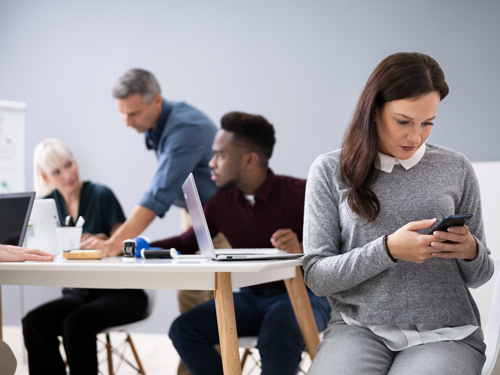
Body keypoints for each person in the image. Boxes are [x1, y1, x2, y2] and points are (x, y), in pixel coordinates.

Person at [302, 52, 494, 375]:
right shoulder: (329, 170)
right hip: (358, 329)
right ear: (374, 111)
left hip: (446, 334)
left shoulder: (456, 167)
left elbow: (482, 274)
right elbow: (317, 277)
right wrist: (388, 250)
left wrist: (471, 251)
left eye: (428, 123)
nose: (415, 137)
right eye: (403, 122)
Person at [152, 111, 331, 375]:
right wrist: (133, 245)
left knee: (276, 338)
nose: (211, 163)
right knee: (183, 329)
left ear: (249, 160)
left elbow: (341, 248)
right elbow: (184, 243)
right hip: (251, 297)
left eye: (220, 156)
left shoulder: (302, 193)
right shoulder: (221, 204)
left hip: (304, 296)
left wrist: (303, 249)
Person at [22, 139, 148, 375]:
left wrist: (108, 243)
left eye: (69, 165)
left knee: (76, 323)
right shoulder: (46, 207)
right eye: (57, 171)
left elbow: (127, 244)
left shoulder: (101, 195)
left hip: (122, 293)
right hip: (80, 294)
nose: (67, 174)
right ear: (45, 176)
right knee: (33, 322)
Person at [82, 68, 219, 256]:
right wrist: (118, 241)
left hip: (222, 222)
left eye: (133, 114)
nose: (126, 122)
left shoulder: (186, 129)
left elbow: (157, 195)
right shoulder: (156, 123)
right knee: (189, 285)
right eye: (122, 113)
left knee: (215, 284)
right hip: (194, 216)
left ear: (157, 101)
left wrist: (114, 245)